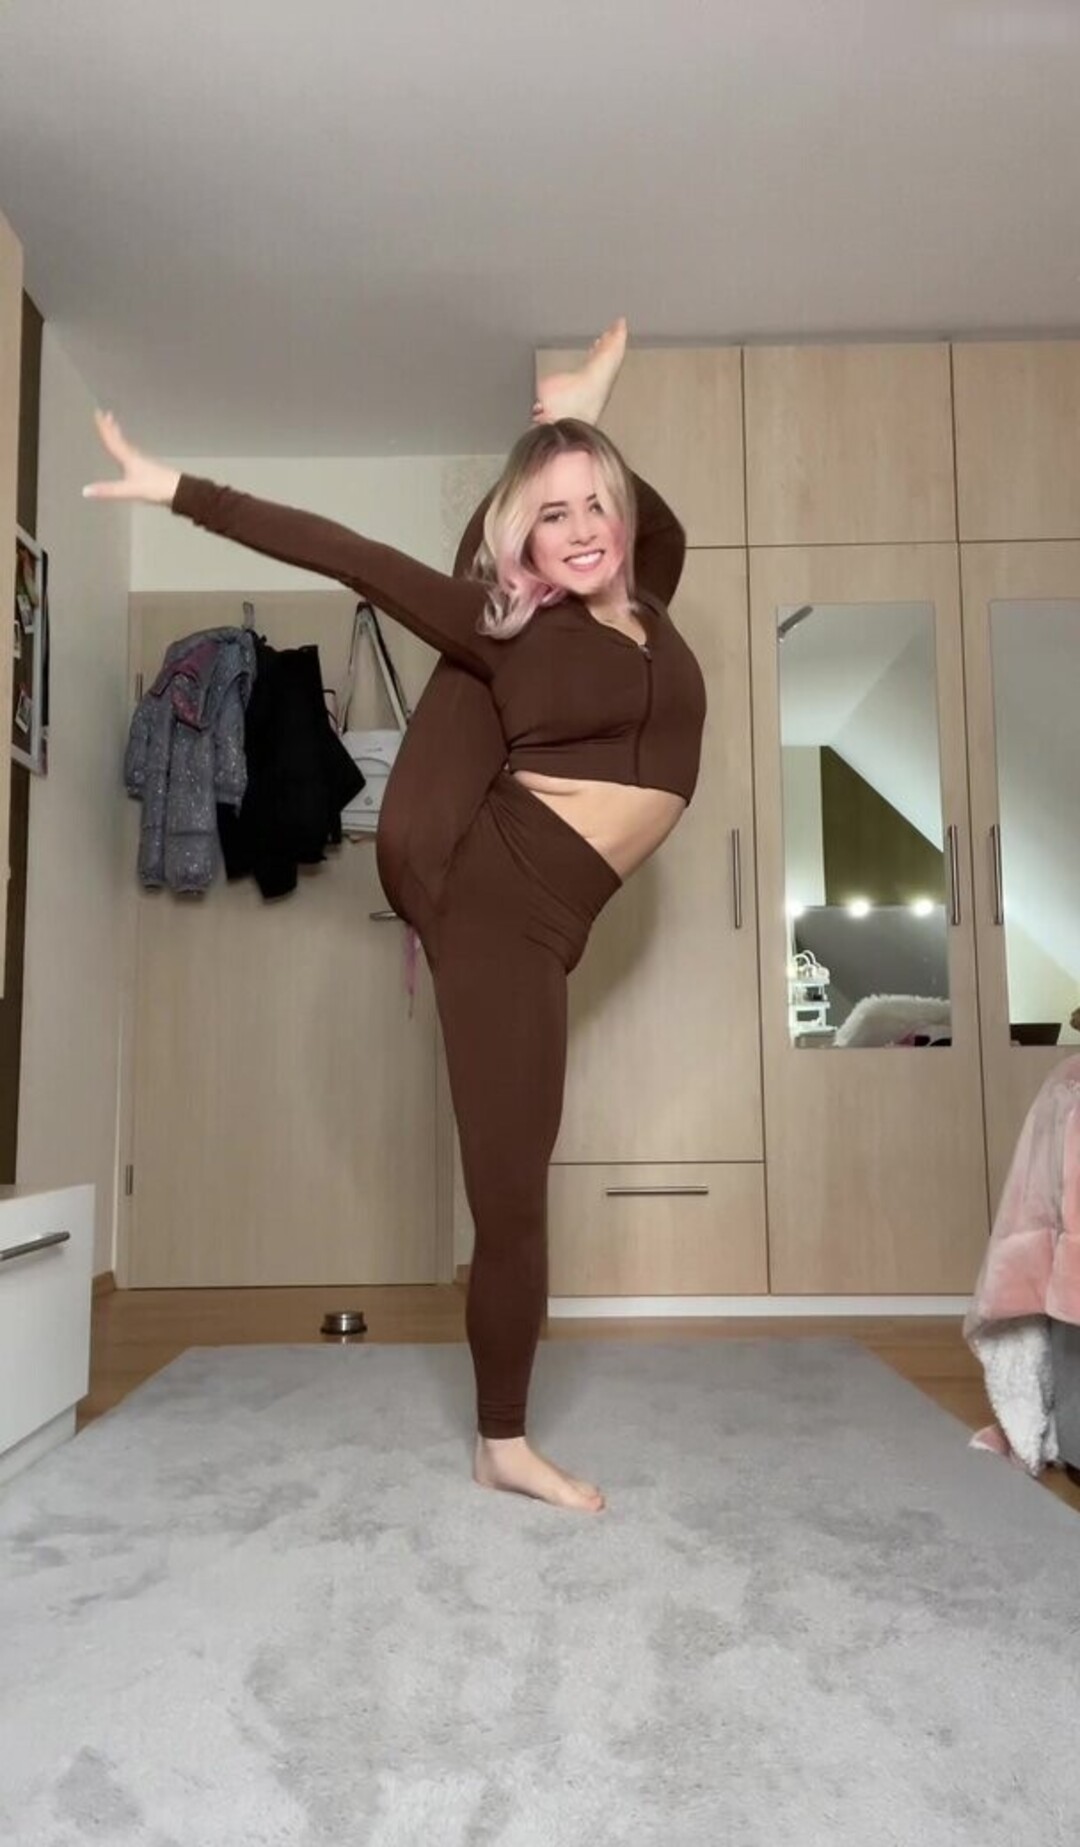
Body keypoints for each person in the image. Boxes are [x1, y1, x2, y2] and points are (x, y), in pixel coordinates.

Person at [85, 322, 707, 1513]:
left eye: (597, 503)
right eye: (551, 513)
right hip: (497, 909)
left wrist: (579, 415)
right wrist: (179, 491)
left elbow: (655, 530)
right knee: (513, 1191)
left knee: (520, 1173)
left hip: (554, 919)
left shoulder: (648, 599)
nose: (583, 529)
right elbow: (352, 554)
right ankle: (502, 1439)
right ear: (519, 536)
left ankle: (568, 414)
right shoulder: (509, 628)